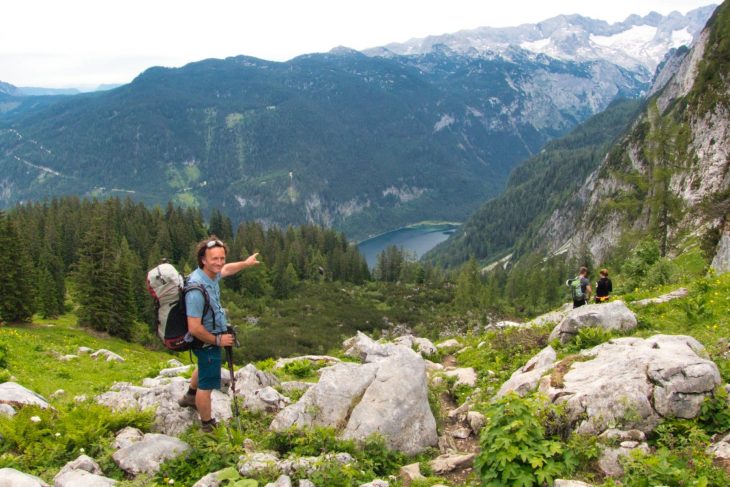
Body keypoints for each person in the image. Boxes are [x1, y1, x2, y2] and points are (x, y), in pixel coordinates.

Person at [177, 236, 260, 432]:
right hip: (206, 340)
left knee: (203, 367)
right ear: (203, 260)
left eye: (222, 257)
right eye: (214, 258)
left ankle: (189, 395)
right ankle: (207, 426)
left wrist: (246, 264)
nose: (219, 262)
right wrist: (218, 340)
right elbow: (194, 328)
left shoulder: (210, 275)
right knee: (207, 385)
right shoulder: (196, 289)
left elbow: (227, 269)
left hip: (211, 336)